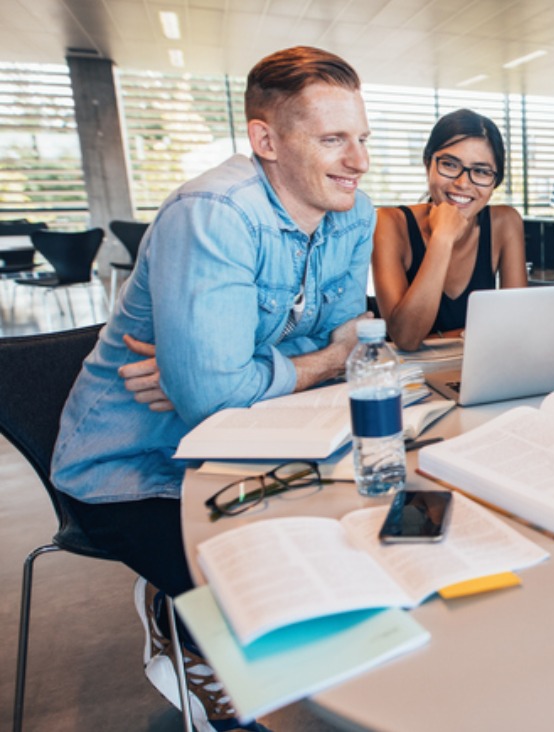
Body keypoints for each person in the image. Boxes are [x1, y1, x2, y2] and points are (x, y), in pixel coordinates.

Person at [50, 46, 374, 731]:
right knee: (275, 603)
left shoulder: (352, 211)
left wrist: (223, 373)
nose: (358, 161)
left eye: (363, 138)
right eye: (333, 140)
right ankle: (184, 615)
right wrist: (281, 368)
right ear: (265, 140)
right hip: (133, 465)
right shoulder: (215, 212)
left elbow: (347, 345)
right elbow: (303, 365)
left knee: (353, 549)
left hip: (254, 445)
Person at [372, 109, 526, 350]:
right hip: (411, 378)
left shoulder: (504, 223)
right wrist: (443, 237)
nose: (463, 183)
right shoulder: (389, 223)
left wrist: (437, 338)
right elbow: (406, 338)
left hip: (480, 368)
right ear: (428, 164)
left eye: (481, 171)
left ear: (495, 181)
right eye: (450, 164)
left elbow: (516, 328)